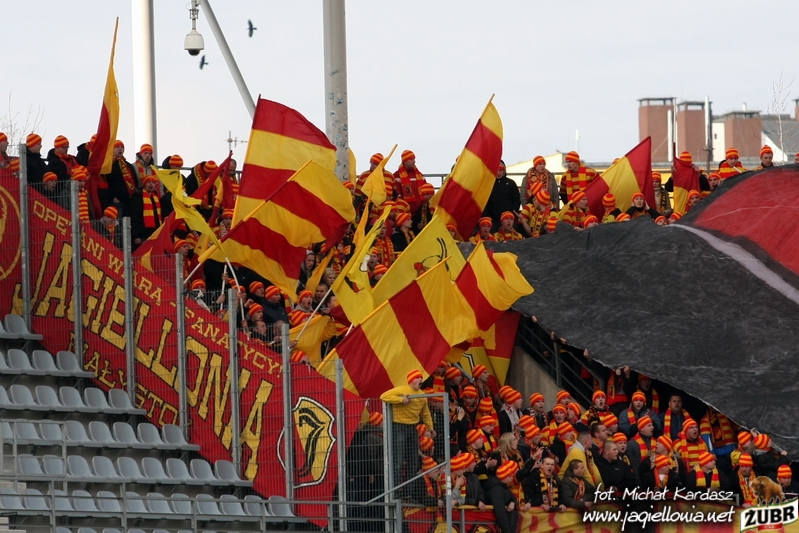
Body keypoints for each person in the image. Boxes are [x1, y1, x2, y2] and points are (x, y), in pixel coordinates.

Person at [380, 370, 435, 500]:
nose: (420, 380)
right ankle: (395, 491)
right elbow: (383, 396)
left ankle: (408, 492)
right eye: (417, 378)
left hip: (412, 427)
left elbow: (425, 413)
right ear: (411, 380)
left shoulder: (422, 395)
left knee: (413, 461)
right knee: (398, 461)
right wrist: (400, 400)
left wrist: (430, 428)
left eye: (421, 378)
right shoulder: (401, 390)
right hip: (399, 426)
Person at [482, 160, 521, 232]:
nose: (498, 173)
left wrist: (512, 213)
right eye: (496, 170)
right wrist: (487, 215)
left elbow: (516, 200)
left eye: (500, 170)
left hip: (508, 218)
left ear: (504, 171)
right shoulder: (489, 184)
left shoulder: (511, 183)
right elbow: (485, 200)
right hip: (493, 219)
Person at [485, 460, 521, 533]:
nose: (512, 478)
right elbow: (500, 512)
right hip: (497, 526)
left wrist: (512, 502)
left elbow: (513, 498)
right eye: (510, 476)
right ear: (504, 477)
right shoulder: (496, 490)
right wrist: (507, 531)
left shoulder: (504, 486)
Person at [130, 175, 163, 248]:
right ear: (144, 184)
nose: (151, 184)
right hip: (141, 235)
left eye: (153, 182)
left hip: (154, 234)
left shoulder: (156, 198)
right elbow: (134, 217)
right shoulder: (137, 196)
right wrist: (136, 236)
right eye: (148, 182)